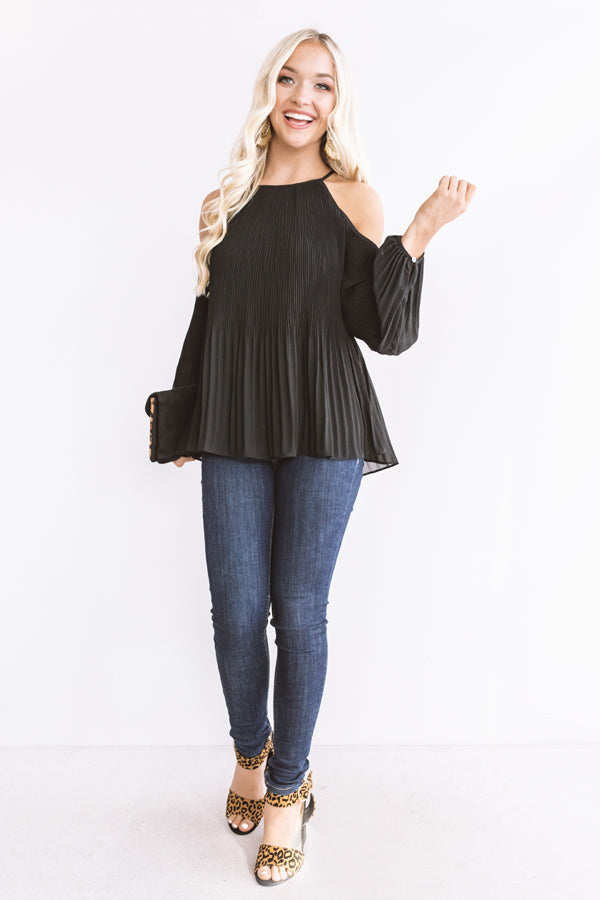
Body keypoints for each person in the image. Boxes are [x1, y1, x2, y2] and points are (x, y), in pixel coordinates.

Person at [161, 28, 475, 887]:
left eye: (323, 85)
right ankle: (250, 755)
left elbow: (382, 333)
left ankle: (288, 791)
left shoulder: (354, 198)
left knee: (298, 613)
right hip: (234, 418)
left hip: (326, 421)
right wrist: (182, 420)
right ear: (268, 90)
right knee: (235, 613)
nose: (303, 97)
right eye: (290, 79)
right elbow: (208, 320)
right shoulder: (225, 198)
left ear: (338, 104)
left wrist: (416, 234)